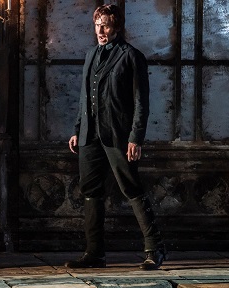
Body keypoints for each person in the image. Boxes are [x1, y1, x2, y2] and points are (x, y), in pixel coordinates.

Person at [65, 4, 166, 270]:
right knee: (91, 192)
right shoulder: (90, 55)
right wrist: (78, 129)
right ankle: (95, 253)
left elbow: (141, 102)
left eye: (106, 25)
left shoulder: (132, 56)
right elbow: (84, 97)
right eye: (97, 25)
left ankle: (154, 249)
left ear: (117, 27)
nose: (100, 30)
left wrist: (136, 137)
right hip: (90, 135)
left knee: (131, 188)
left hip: (119, 135)